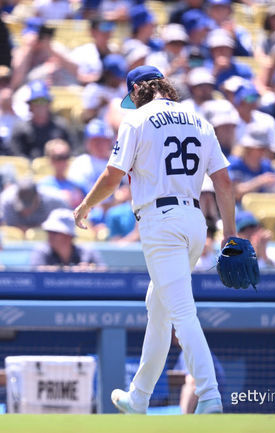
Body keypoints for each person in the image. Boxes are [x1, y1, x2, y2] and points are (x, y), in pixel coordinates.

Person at [73, 65, 235, 414]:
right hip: (195, 221)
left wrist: (85, 205)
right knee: (158, 307)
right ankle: (139, 396)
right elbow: (223, 182)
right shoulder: (199, 120)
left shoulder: (137, 119)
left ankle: (209, 395)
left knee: (181, 312)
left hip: (161, 222)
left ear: (136, 91)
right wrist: (231, 235)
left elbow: (113, 174)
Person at [31, 208, 104, 270]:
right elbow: (35, 273)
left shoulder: (88, 252)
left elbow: (104, 274)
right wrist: (68, 270)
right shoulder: (42, 251)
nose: (50, 235)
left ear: (68, 236)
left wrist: (89, 270)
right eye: (49, 231)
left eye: (55, 232)